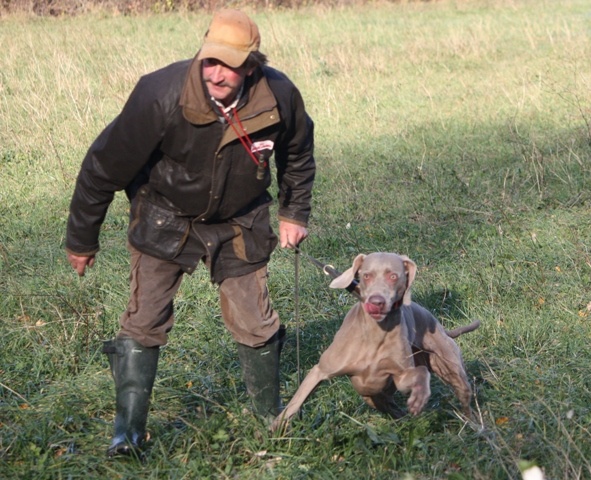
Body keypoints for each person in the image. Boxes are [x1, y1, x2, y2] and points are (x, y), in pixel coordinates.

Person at [65, 9, 315, 457]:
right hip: (165, 216)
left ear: (251, 65)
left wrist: (294, 212)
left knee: (256, 322)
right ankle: (127, 434)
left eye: (229, 65)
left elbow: (297, 153)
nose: (216, 74)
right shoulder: (159, 94)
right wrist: (83, 240)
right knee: (143, 322)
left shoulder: (279, 95)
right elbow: (102, 167)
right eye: (210, 60)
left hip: (240, 220)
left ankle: (270, 418)